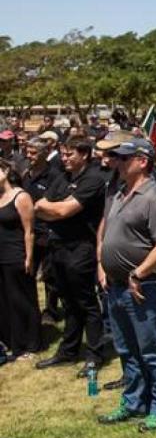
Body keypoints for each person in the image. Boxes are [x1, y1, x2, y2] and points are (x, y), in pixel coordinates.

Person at [95, 138, 156, 433]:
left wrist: (138, 274)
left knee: (151, 349)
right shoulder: (117, 192)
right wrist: (102, 265)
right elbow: (106, 230)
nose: (116, 161)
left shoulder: (155, 197)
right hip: (115, 285)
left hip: (144, 287)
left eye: (123, 157)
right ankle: (133, 402)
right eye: (115, 157)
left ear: (142, 161)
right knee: (127, 349)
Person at [34, 136, 108, 378]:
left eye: (69, 155)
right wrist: (56, 210)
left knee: (86, 303)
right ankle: (68, 351)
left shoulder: (93, 180)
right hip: (58, 247)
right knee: (68, 302)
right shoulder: (61, 177)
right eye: (63, 154)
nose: (64, 159)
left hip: (81, 248)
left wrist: (56, 209)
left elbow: (65, 210)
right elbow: (39, 206)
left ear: (84, 154)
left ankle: (95, 354)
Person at [0, 158, 38, 359]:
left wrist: (29, 257)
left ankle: (29, 343)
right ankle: (10, 341)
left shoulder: (21, 196)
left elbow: (29, 230)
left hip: (17, 255)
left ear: (5, 171)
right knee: (4, 301)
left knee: (21, 300)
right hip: (1, 256)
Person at [23, 137, 63, 325]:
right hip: (28, 233)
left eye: (33, 153)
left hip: (47, 232)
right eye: (28, 152)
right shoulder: (26, 174)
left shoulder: (55, 176)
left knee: (50, 275)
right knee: (27, 271)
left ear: (44, 153)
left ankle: (51, 310)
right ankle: (30, 310)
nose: (29, 156)